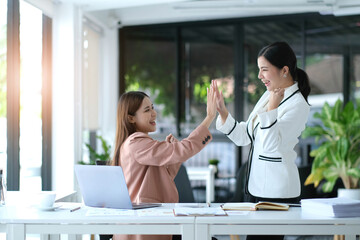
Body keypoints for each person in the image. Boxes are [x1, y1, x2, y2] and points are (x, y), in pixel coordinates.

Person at [213, 41, 311, 240]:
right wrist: (224, 113)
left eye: (264, 70)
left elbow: (269, 147)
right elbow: (245, 135)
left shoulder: (298, 105)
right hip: (257, 190)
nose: (259, 76)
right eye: (259, 70)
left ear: (284, 70)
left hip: (277, 193)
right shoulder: (269, 95)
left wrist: (272, 110)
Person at [112, 87, 217, 240]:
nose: (154, 113)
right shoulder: (136, 143)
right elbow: (184, 149)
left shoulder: (138, 143)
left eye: (152, 108)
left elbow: (163, 177)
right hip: (142, 227)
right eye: (147, 110)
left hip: (148, 221)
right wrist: (209, 117)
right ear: (131, 118)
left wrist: (172, 156)